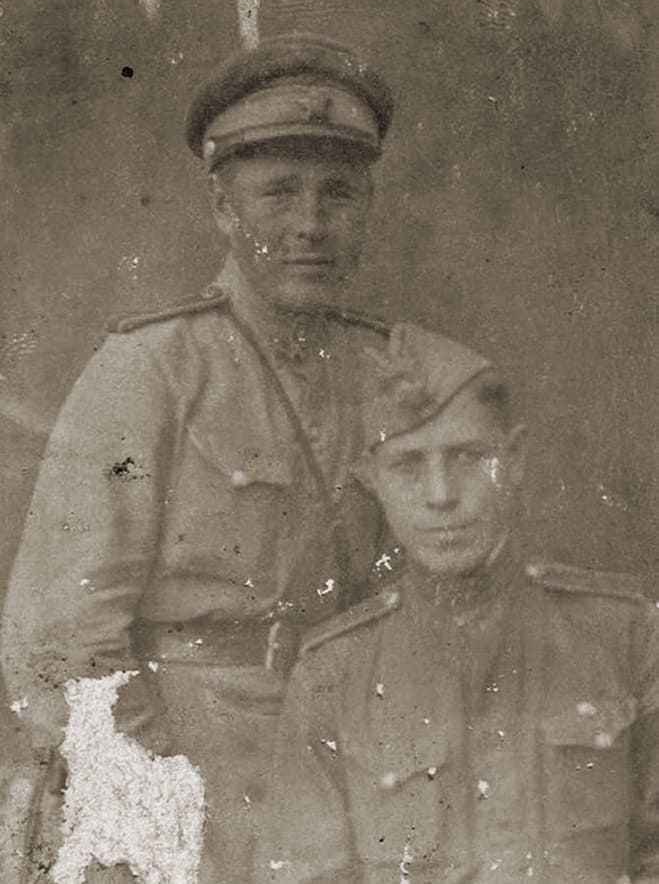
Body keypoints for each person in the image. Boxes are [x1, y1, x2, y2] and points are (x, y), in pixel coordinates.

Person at [1, 34, 395, 883]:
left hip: (349, 766)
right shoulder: (149, 370)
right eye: (278, 192)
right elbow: (59, 635)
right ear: (222, 207)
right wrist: (150, 804)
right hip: (183, 760)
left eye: (337, 193)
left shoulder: (388, 374)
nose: (310, 225)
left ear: (367, 206)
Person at [256, 322, 659, 884]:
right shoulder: (332, 674)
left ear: (514, 459)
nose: (441, 495)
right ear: (372, 480)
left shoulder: (625, 635)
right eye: (408, 466)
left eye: (468, 458)